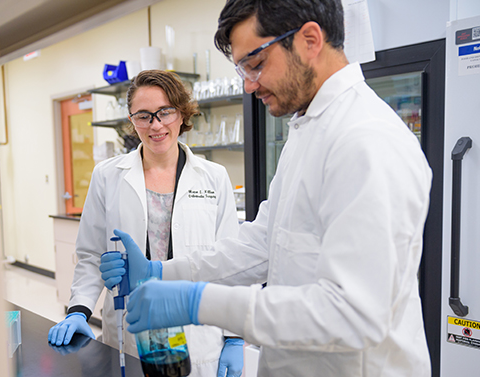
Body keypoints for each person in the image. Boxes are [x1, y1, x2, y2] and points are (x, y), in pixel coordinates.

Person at [99, 1, 433, 376]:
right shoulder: (307, 130)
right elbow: (260, 245)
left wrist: (199, 303)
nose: (248, 84)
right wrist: (163, 272)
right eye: (242, 68)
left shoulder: (365, 140)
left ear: (309, 40)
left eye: (255, 63)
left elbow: (352, 313)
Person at [48, 69, 244, 377]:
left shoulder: (214, 177)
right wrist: (78, 311)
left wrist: (235, 338)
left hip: (198, 330)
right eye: (143, 116)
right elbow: (89, 255)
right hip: (129, 327)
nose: (156, 125)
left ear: (181, 113)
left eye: (165, 112)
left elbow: (231, 262)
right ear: (131, 119)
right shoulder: (107, 176)